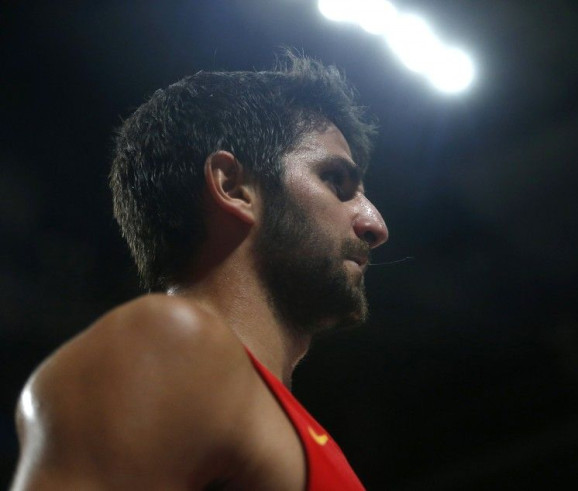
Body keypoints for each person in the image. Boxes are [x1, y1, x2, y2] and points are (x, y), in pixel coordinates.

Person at [11, 52, 388, 490]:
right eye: (336, 182)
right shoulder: (169, 342)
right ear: (233, 187)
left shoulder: (287, 423)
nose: (375, 224)